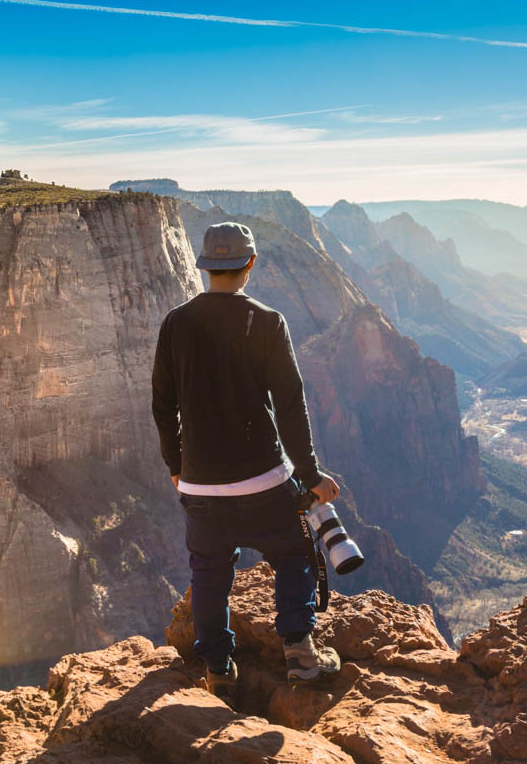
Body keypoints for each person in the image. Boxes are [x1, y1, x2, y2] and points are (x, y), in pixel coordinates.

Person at [151, 221, 342, 705]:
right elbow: (291, 405)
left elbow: (162, 403)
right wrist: (312, 475)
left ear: (203, 266)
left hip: (200, 486)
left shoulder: (175, 323)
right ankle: (299, 652)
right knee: (295, 555)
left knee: (209, 574)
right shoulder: (267, 321)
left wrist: (177, 465)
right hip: (263, 480)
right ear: (249, 265)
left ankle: (218, 668)